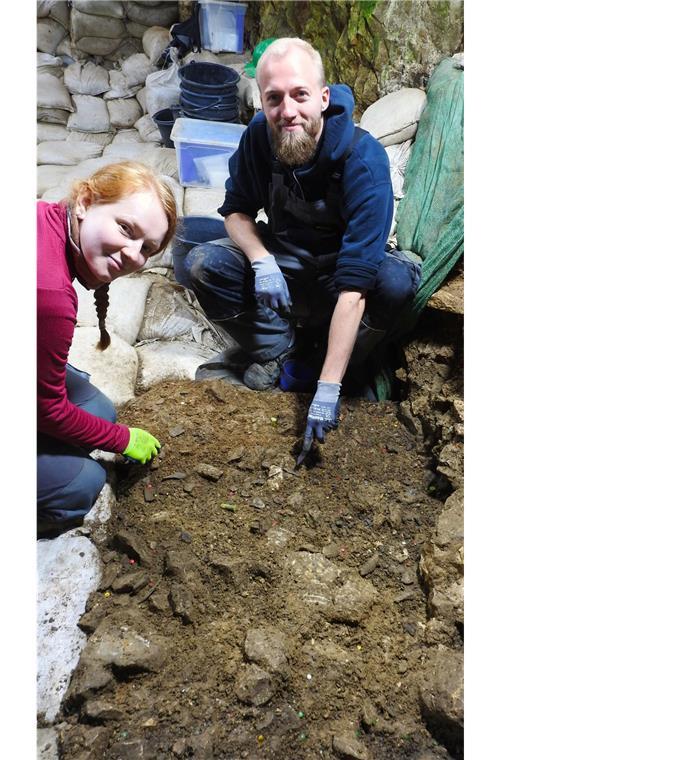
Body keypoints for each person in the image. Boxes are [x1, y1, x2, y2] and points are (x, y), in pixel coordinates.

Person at [177, 37, 421, 446]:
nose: (287, 111)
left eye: (300, 95)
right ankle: (280, 350)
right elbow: (236, 212)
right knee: (202, 263)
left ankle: (330, 362)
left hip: (343, 277)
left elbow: (354, 288)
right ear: (261, 101)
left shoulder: (364, 162)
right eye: (274, 98)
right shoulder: (259, 137)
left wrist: (326, 391)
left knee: (397, 283)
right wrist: (260, 261)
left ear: (323, 98)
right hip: (286, 263)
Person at [38, 161, 177, 531]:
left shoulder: (46, 221)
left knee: (98, 410)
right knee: (80, 482)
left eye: (146, 247)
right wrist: (122, 439)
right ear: (85, 201)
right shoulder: (50, 295)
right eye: (125, 228)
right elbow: (47, 410)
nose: (133, 254)